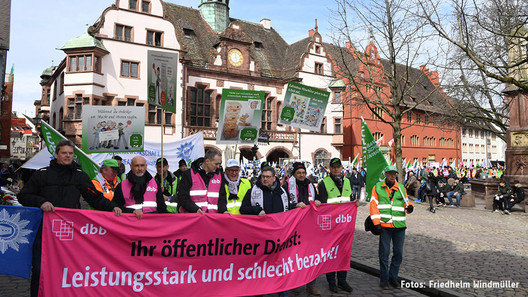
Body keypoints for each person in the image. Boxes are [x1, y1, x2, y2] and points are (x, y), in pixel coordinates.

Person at [18, 139, 122, 297]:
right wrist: (41, 202)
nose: (67, 156)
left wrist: (112, 207)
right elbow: (23, 195)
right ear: (56, 154)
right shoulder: (42, 174)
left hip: (68, 231)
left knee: (67, 269)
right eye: (64, 153)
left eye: (70, 153)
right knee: (40, 269)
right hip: (44, 230)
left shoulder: (80, 176)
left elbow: (94, 198)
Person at [240, 165, 293, 297]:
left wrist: (297, 206)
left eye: (268, 177)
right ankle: (260, 292)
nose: (265, 179)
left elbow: (287, 209)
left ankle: (282, 292)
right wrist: (256, 210)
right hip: (260, 237)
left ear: (274, 178)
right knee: (262, 268)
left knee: (280, 266)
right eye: (263, 176)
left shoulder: (282, 192)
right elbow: (243, 208)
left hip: (279, 236)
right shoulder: (253, 191)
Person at [370, 165, 413, 290]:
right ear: (385, 174)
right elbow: (374, 205)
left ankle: (393, 277)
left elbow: (406, 203)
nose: (392, 176)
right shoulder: (377, 187)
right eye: (390, 174)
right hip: (384, 225)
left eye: (394, 174)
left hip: (399, 226)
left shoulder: (401, 188)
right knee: (384, 253)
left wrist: (409, 208)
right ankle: (384, 278)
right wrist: (376, 223)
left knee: (398, 253)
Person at [282, 162, 322, 295]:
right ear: (294, 174)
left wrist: (317, 202)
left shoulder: (310, 185)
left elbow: (316, 198)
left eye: (303, 173)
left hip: (310, 224)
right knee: (295, 256)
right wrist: (294, 205)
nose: (301, 175)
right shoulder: (287, 185)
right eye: (299, 173)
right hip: (295, 225)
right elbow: (284, 202)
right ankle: (295, 283)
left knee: (311, 255)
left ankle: (311, 284)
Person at [317, 158, 355, 294]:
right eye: (333, 167)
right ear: (330, 168)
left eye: (338, 167)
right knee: (331, 254)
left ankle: (342, 280)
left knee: (344, 253)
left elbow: (348, 200)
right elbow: (322, 207)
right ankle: (332, 282)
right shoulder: (323, 184)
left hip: (345, 225)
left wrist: (354, 204)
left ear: (341, 168)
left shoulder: (347, 182)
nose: (336, 169)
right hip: (331, 226)